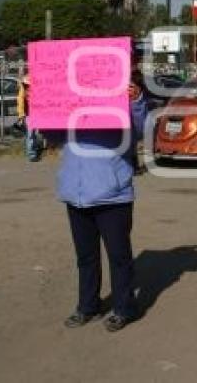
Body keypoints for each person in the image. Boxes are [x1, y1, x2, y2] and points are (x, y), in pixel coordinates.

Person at [51, 72, 147, 332]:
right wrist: (41, 106)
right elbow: (52, 136)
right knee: (85, 257)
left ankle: (124, 308)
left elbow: (139, 131)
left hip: (112, 194)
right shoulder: (71, 102)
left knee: (119, 256)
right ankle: (87, 306)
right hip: (76, 194)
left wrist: (137, 101)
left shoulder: (119, 99)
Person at [17, 75, 42, 162]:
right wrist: (21, 115)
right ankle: (32, 154)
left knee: (36, 133)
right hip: (28, 114)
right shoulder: (24, 86)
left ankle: (35, 149)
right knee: (31, 134)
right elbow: (20, 101)